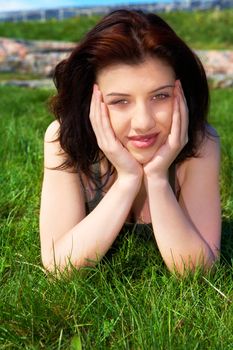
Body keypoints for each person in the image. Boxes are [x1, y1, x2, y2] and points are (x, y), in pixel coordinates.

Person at [39, 9, 221, 275]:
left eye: (160, 96)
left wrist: (158, 178)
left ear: (182, 92)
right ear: (91, 101)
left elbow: (197, 270)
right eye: (120, 101)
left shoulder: (201, 142)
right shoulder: (62, 140)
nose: (143, 122)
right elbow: (60, 267)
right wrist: (127, 179)